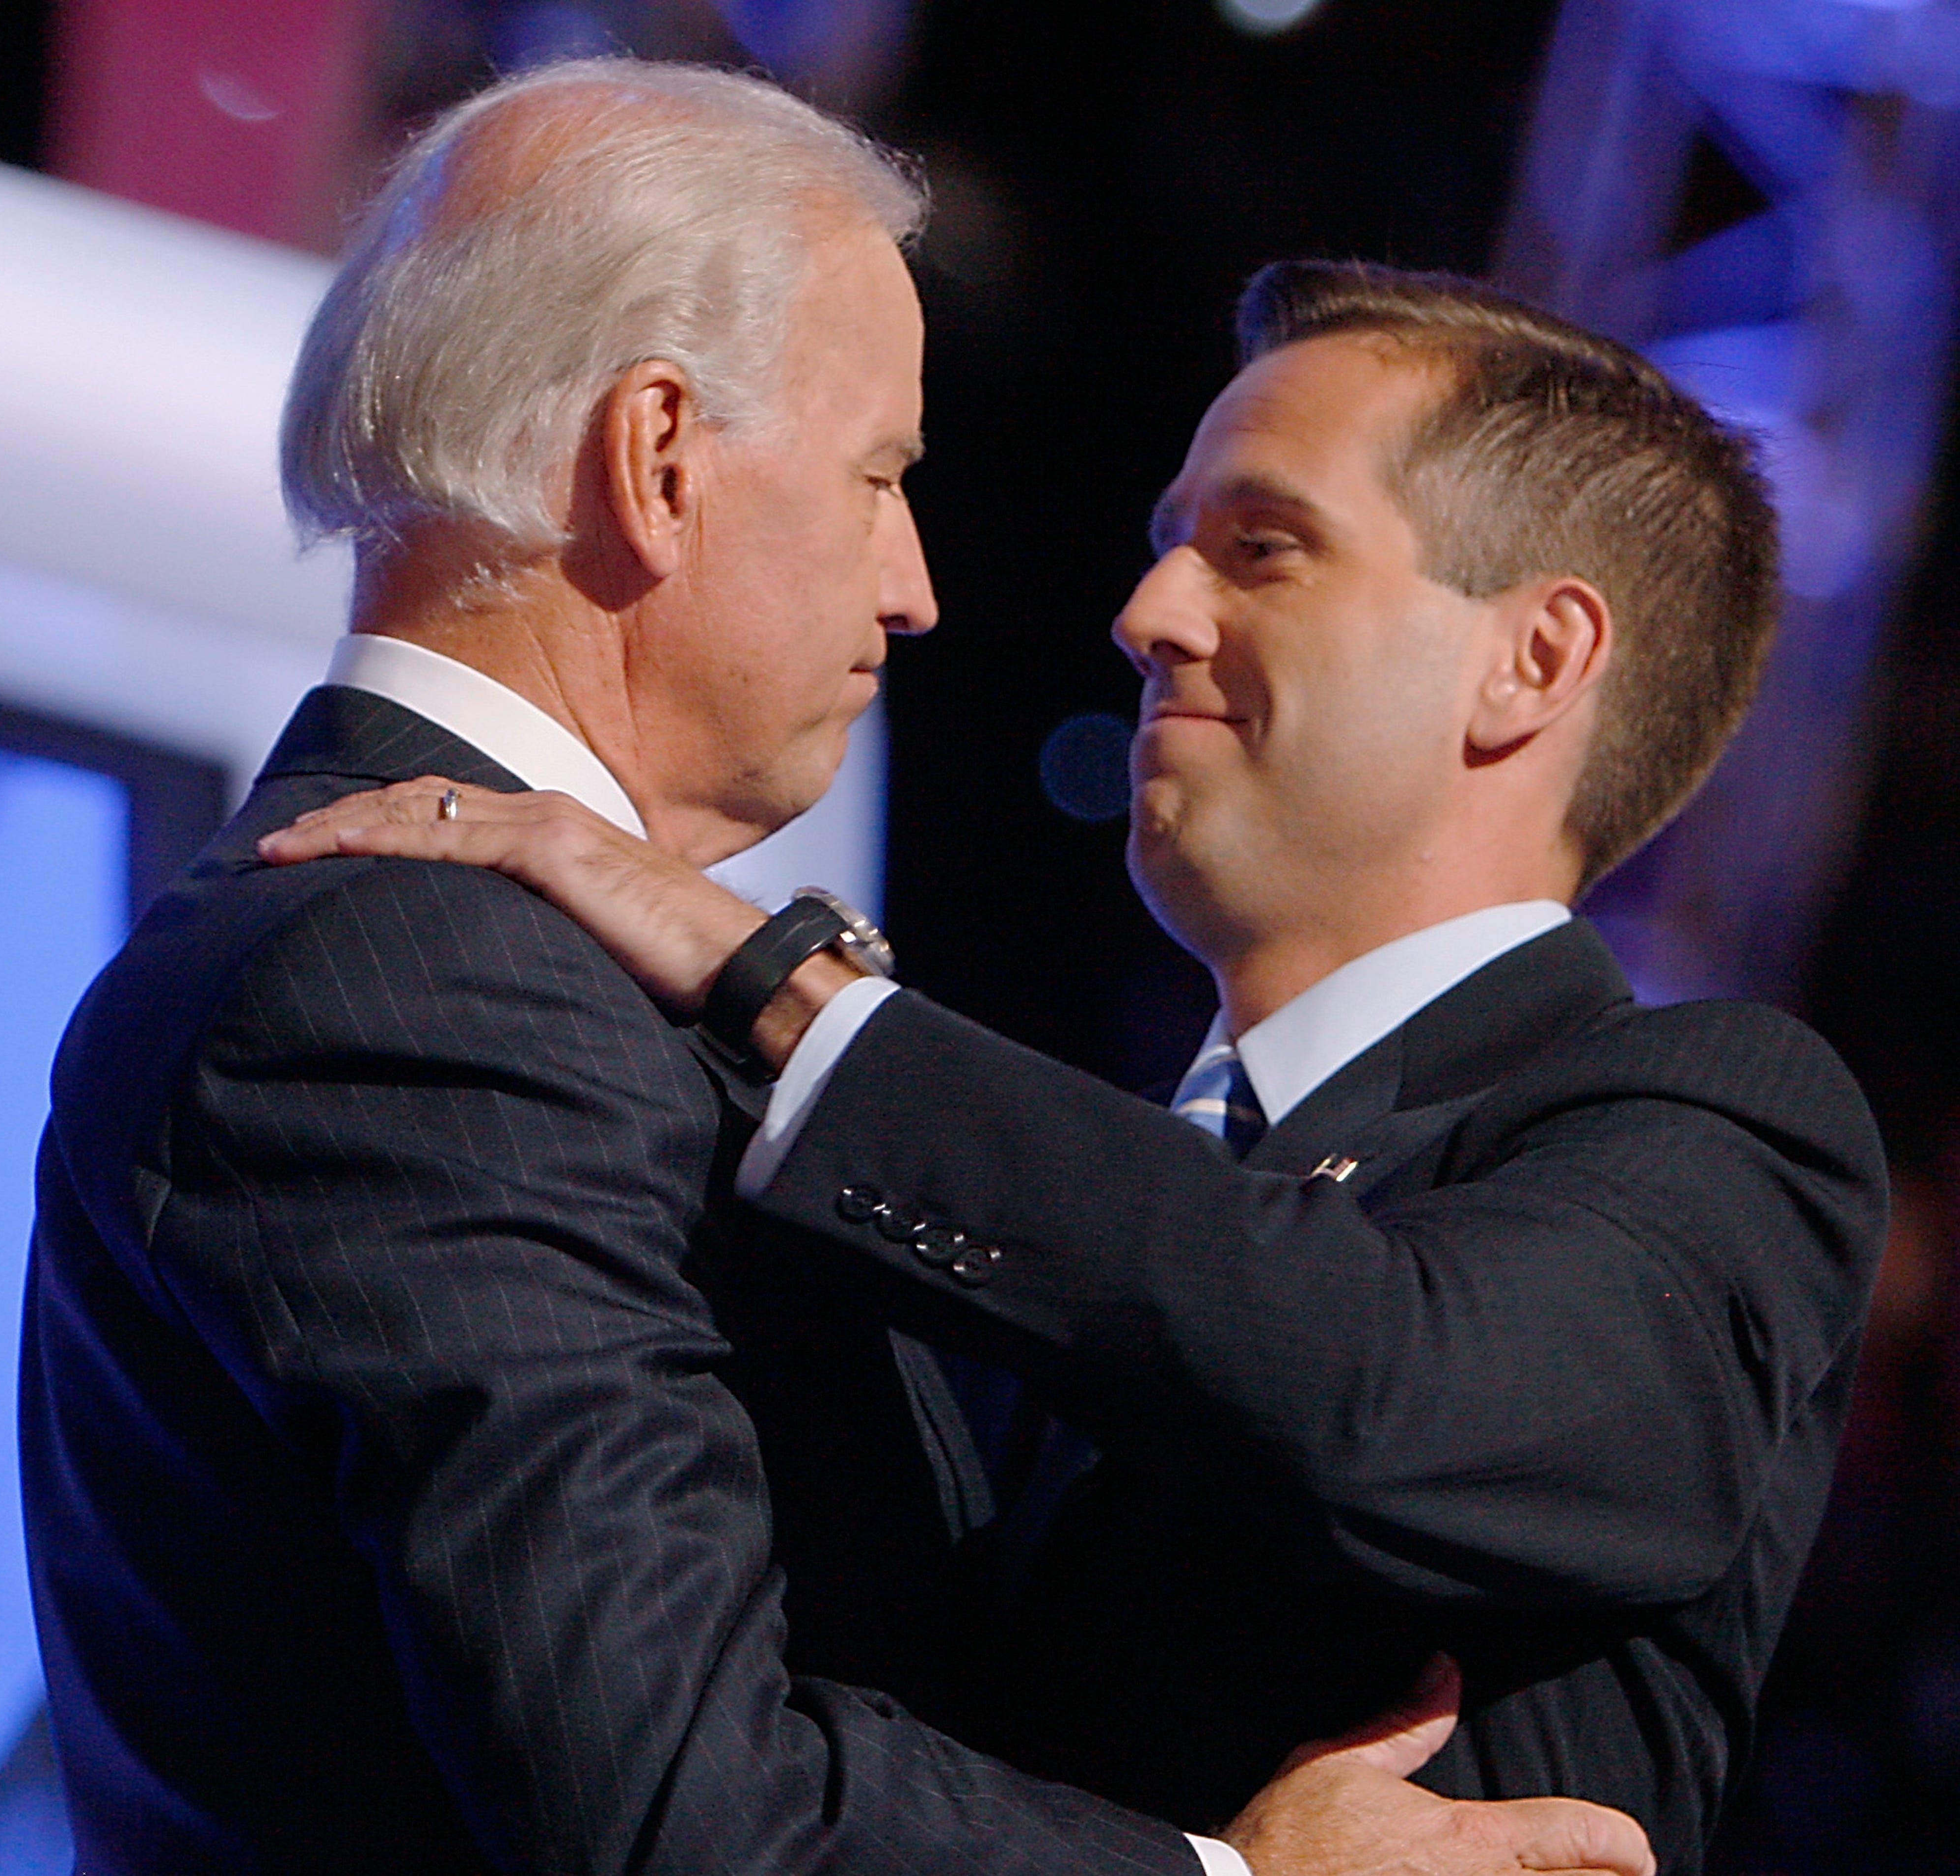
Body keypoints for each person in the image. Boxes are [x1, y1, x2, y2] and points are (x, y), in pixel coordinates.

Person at [19, 59, 1650, 1876]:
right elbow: (675, 1814)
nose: (916, 583)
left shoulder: (457, 960)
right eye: (882, 475)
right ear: (658, 461)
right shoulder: (418, 983)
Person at [266, 263, 1890, 1876]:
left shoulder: (1724, 1127)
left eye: (1264, 550)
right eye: (1170, 545)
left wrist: (781, 984)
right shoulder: (1049, 1196)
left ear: (1533, 660)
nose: (1152, 614)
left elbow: (1387, 1389)